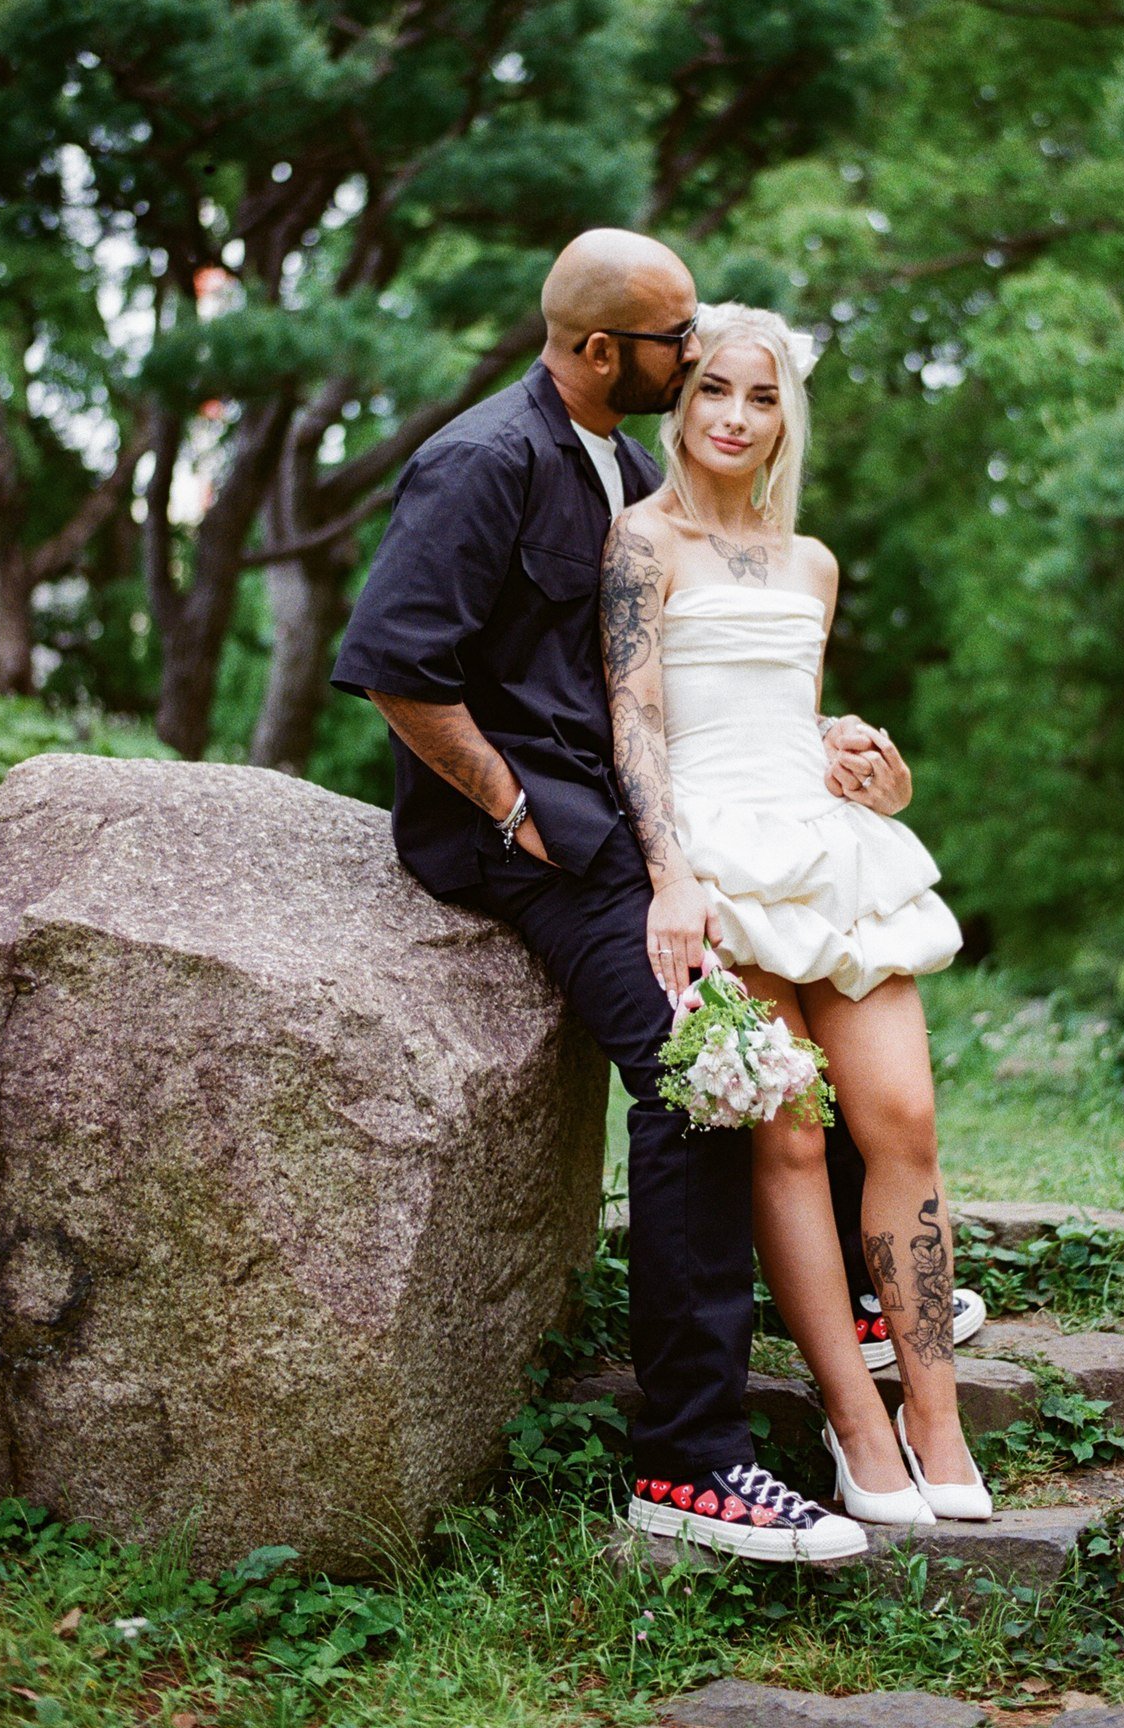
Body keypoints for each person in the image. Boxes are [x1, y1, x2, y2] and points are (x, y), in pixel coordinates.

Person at [330, 229, 912, 1561]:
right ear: (603, 350)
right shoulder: (483, 462)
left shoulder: (627, 464)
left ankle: (853, 1292)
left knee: (783, 985)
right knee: (700, 1061)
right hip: (532, 839)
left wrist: (807, 741)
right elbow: (399, 669)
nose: (696, 349)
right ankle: (691, 1462)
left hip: (639, 815)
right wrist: (512, 808)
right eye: (676, 335)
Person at [600, 301, 991, 1530]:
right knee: (788, 1138)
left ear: (786, 417)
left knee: (901, 1118)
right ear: (680, 401)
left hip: (826, 847)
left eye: (761, 396)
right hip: (713, 853)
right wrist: (671, 874)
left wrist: (875, 772)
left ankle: (935, 1414)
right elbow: (635, 720)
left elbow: (784, 714)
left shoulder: (809, 560)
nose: (733, 415)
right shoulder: (639, 538)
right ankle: (856, 1420)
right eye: (713, 388)